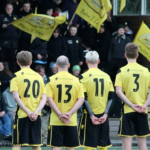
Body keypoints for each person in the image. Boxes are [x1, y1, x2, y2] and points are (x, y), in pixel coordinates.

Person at [115, 43, 150, 150]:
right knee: (143, 145)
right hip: (143, 110)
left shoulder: (121, 71)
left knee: (127, 146)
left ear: (125, 55)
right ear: (137, 55)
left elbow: (118, 91)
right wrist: (145, 105)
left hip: (128, 110)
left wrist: (131, 104)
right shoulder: (146, 71)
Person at [10, 51, 46, 150]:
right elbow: (43, 98)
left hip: (22, 114)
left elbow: (16, 97)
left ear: (17, 62)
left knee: (17, 144)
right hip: (36, 115)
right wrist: (36, 112)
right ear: (31, 62)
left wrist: (28, 112)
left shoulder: (16, 76)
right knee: (36, 144)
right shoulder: (39, 76)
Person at [46, 55, 84, 149]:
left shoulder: (51, 79)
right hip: (71, 120)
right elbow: (81, 99)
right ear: (69, 65)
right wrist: (70, 113)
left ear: (56, 65)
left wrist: (59, 114)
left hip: (56, 119)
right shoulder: (76, 80)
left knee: (56, 147)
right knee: (71, 147)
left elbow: (48, 99)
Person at [79, 51, 114, 150]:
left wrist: (91, 115)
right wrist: (106, 114)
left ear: (86, 61)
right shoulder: (107, 76)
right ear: (98, 61)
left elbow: (83, 98)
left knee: (89, 146)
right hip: (103, 115)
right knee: (103, 146)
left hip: (89, 116)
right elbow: (111, 98)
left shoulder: (83, 77)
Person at [0, 3, 20, 73]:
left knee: (13, 60)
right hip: (4, 43)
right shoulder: (1, 17)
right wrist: (1, 27)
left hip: (13, 43)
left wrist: (17, 37)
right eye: (7, 8)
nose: (9, 9)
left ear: (12, 9)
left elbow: (19, 29)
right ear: (5, 9)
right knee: (2, 60)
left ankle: (13, 75)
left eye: (10, 8)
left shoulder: (16, 17)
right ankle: (2, 75)